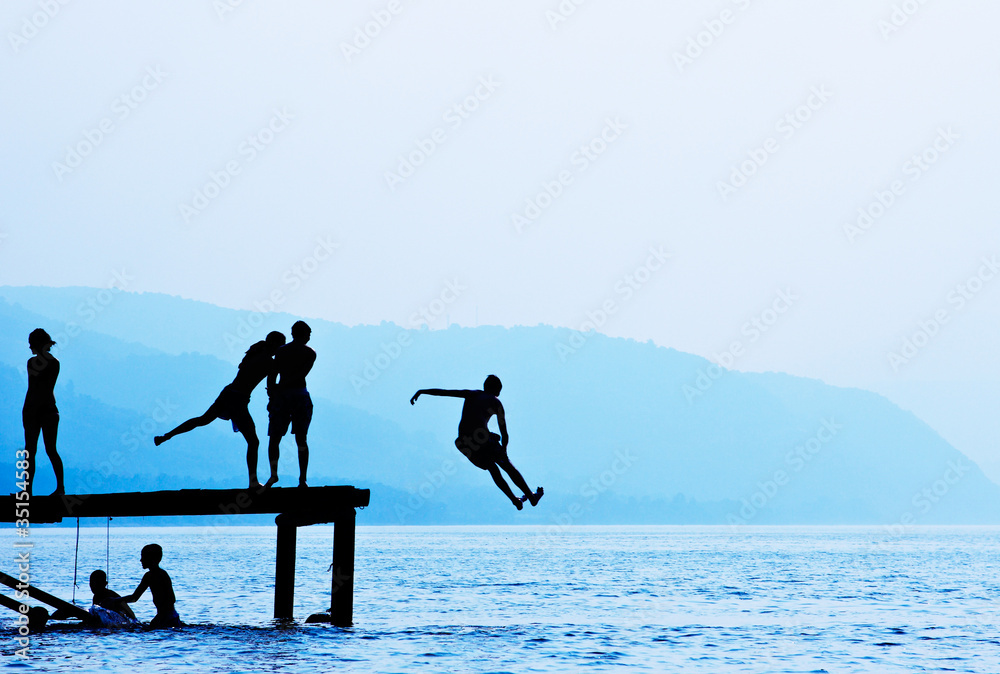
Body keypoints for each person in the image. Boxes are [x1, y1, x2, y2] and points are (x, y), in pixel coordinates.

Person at [155, 331, 285, 489]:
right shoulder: (270, 362)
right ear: (275, 345)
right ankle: (253, 482)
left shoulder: (255, 353)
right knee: (253, 441)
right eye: (281, 346)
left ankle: (166, 436)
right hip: (238, 400)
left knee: (202, 420)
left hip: (228, 393)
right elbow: (271, 386)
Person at [410, 375, 542, 510]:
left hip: (463, 443)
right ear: (495, 389)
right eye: (499, 390)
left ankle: (515, 500)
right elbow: (504, 434)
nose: (499, 394)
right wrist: (504, 450)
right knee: (507, 466)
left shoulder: (471, 394)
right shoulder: (496, 402)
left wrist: (422, 391)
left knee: (492, 468)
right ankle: (531, 497)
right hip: (481, 441)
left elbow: (444, 392)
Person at [264, 321, 316, 489]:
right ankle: (302, 479)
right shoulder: (310, 353)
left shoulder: (281, 351)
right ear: (305, 334)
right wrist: (276, 389)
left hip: (282, 397)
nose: (309, 337)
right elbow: (301, 375)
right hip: (299, 395)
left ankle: (273, 475)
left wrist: (272, 391)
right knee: (301, 439)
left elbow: (273, 373)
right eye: (309, 334)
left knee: (275, 437)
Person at [23, 328, 64, 498]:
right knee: (45, 450)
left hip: (40, 411)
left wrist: (27, 411)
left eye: (31, 344)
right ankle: (56, 488)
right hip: (44, 410)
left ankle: (32, 490)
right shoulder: (53, 362)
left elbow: (35, 389)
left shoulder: (43, 363)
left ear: (37, 344)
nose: (29, 347)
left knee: (39, 450)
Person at [119, 544, 180, 628]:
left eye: (143, 557)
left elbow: (134, 598)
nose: (141, 560)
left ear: (152, 559)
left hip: (165, 617)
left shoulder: (150, 576)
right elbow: (172, 599)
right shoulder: (162, 574)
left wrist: (116, 600)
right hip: (172, 616)